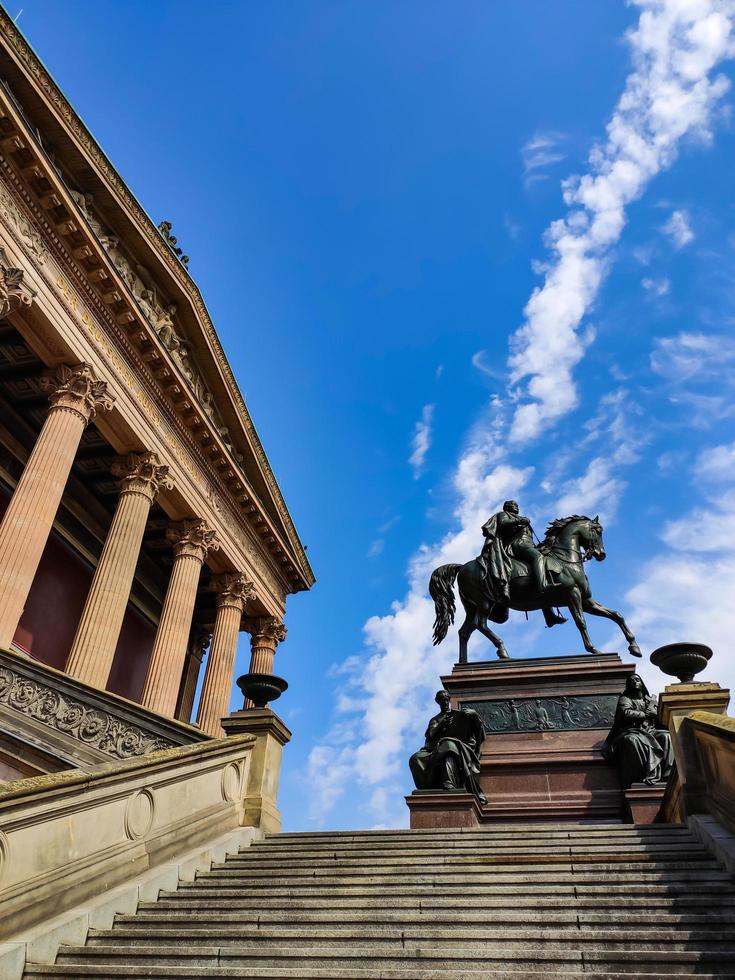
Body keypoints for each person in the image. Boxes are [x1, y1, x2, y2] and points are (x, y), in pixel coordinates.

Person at [478, 499, 565, 625]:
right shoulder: (504, 515)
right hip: (516, 546)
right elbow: (503, 524)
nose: (516, 506)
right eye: (513, 505)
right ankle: (543, 586)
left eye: (517, 505)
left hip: (527, 546)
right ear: (507, 507)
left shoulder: (519, 519)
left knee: (543, 566)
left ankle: (549, 615)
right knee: (538, 558)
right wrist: (520, 520)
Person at [409, 690, 486, 803]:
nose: (444, 703)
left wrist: (474, 715)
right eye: (441, 701)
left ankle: (449, 783)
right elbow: (430, 734)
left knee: (448, 746)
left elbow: (480, 733)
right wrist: (442, 723)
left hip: (459, 747)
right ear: (437, 702)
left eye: (446, 700)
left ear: (449, 700)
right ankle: (427, 786)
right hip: (435, 749)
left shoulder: (460, 715)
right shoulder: (435, 719)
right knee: (416, 758)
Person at [602, 674, 674, 789]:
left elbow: (660, 717)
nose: (634, 682)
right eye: (631, 681)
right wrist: (645, 714)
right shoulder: (626, 699)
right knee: (631, 740)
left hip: (650, 731)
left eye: (637, 679)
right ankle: (641, 777)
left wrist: (654, 714)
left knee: (666, 736)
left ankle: (667, 776)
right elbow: (625, 712)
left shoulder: (650, 700)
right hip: (633, 731)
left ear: (642, 683)